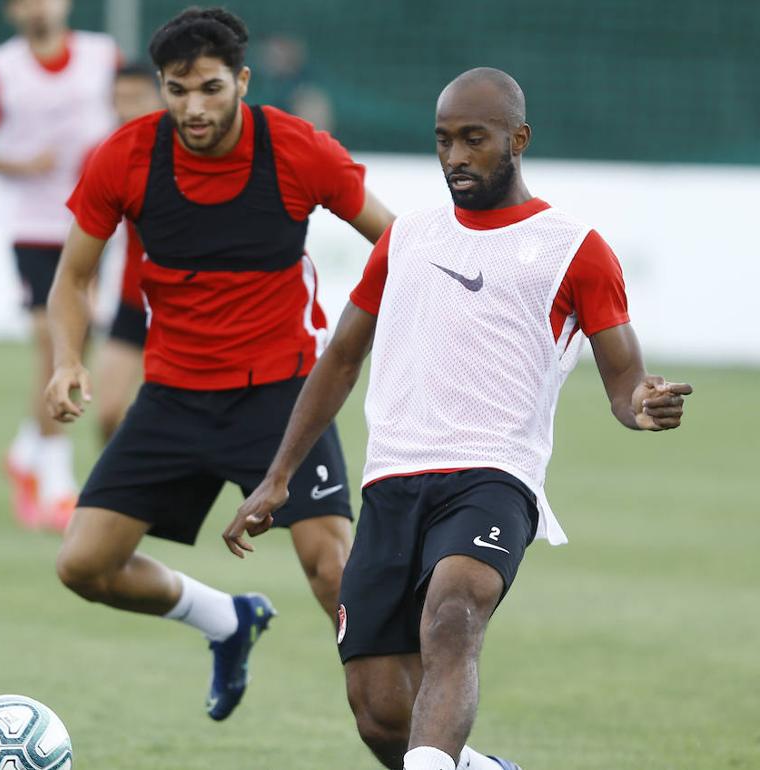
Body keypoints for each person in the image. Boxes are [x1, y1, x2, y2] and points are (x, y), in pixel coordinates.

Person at [226, 68, 693, 770]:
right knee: (380, 712)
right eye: (443, 140)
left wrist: (642, 406)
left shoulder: (576, 248)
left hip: (494, 477)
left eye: (474, 139)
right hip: (392, 482)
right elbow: (341, 358)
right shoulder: (408, 236)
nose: (455, 157)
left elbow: (623, 384)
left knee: (453, 615)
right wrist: (279, 474)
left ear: (518, 139)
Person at [44, 7, 394, 722]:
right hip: (173, 397)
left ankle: (414, 727)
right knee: (83, 566)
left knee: (334, 573)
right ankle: (226, 619)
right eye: (177, 90)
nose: (193, 108)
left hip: (283, 397)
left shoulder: (300, 151)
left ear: (241, 79)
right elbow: (74, 276)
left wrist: (365, 337)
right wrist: (65, 359)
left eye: (208, 88)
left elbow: (397, 244)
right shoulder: (126, 157)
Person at [0, 0, 118, 531]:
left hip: (95, 220)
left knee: (80, 337)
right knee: (54, 343)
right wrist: (24, 163)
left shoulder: (102, 57)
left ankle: (28, 448)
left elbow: (135, 112)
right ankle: (55, 479)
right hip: (33, 224)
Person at [93, 63, 163, 442]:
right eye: (119, 100)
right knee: (107, 414)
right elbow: (91, 234)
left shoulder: (189, 154)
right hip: (132, 302)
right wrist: (86, 286)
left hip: (183, 311)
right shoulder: (111, 156)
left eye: (135, 99)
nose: (125, 109)